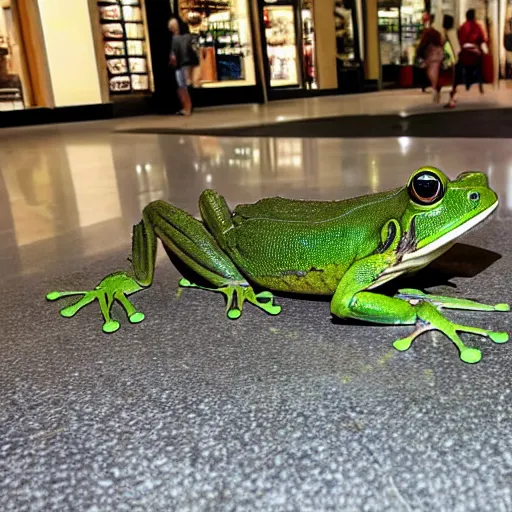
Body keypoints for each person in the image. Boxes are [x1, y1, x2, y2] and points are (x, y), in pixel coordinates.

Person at [446, 9, 486, 108]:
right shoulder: (478, 26)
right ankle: (479, 84)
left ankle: (455, 88)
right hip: (475, 56)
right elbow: (483, 39)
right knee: (478, 67)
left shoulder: (463, 26)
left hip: (465, 56)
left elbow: (460, 40)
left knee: (458, 71)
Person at [416, 13, 445, 103]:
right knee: (435, 72)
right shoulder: (437, 31)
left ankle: (435, 88)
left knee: (431, 72)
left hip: (431, 54)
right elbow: (441, 41)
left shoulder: (428, 32)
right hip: (438, 54)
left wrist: (419, 53)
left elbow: (423, 44)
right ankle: (436, 89)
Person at [169, 18, 192, 116]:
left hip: (179, 65)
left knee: (182, 87)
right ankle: (187, 107)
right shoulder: (185, 37)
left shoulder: (175, 38)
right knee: (183, 86)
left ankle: (187, 108)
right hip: (185, 63)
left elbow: (174, 54)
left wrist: (172, 59)